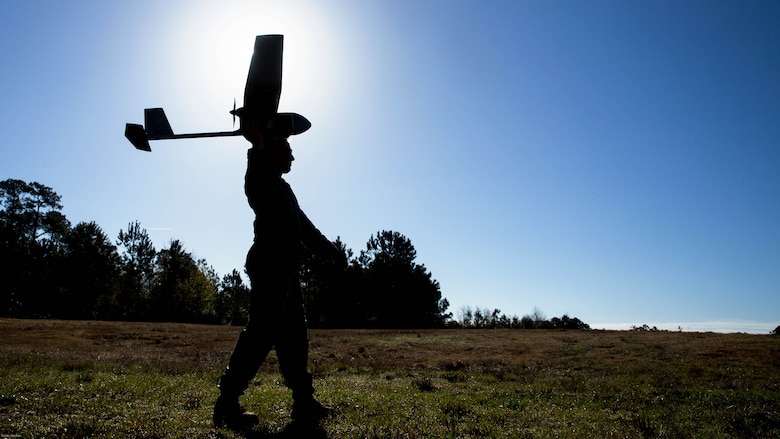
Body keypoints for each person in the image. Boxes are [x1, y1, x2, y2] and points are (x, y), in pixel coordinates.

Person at [213, 120, 344, 430]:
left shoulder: (284, 190)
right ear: (273, 153)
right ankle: (228, 403)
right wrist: (257, 145)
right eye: (288, 151)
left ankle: (303, 403)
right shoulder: (263, 182)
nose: (293, 158)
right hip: (269, 267)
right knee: (260, 335)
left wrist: (332, 253)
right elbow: (254, 178)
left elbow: (305, 229)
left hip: (286, 271)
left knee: (295, 339)